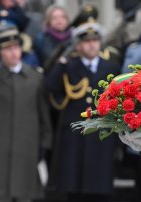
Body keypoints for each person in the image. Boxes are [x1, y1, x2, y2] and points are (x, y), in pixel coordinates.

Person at [0, 22, 52, 202]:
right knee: (1, 193)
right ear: (0, 53)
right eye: (8, 49)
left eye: (16, 47)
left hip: (26, 145)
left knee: (25, 193)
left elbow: (43, 113)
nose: (13, 52)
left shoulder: (34, 76)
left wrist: (45, 141)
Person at [45, 21, 121, 202]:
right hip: (75, 134)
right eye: (87, 41)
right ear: (78, 45)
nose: (92, 44)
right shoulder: (69, 65)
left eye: (95, 40)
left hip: (101, 134)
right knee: (74, 187)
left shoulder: (110, 68)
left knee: (100, 185)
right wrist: (61, 62)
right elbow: (49, 86)